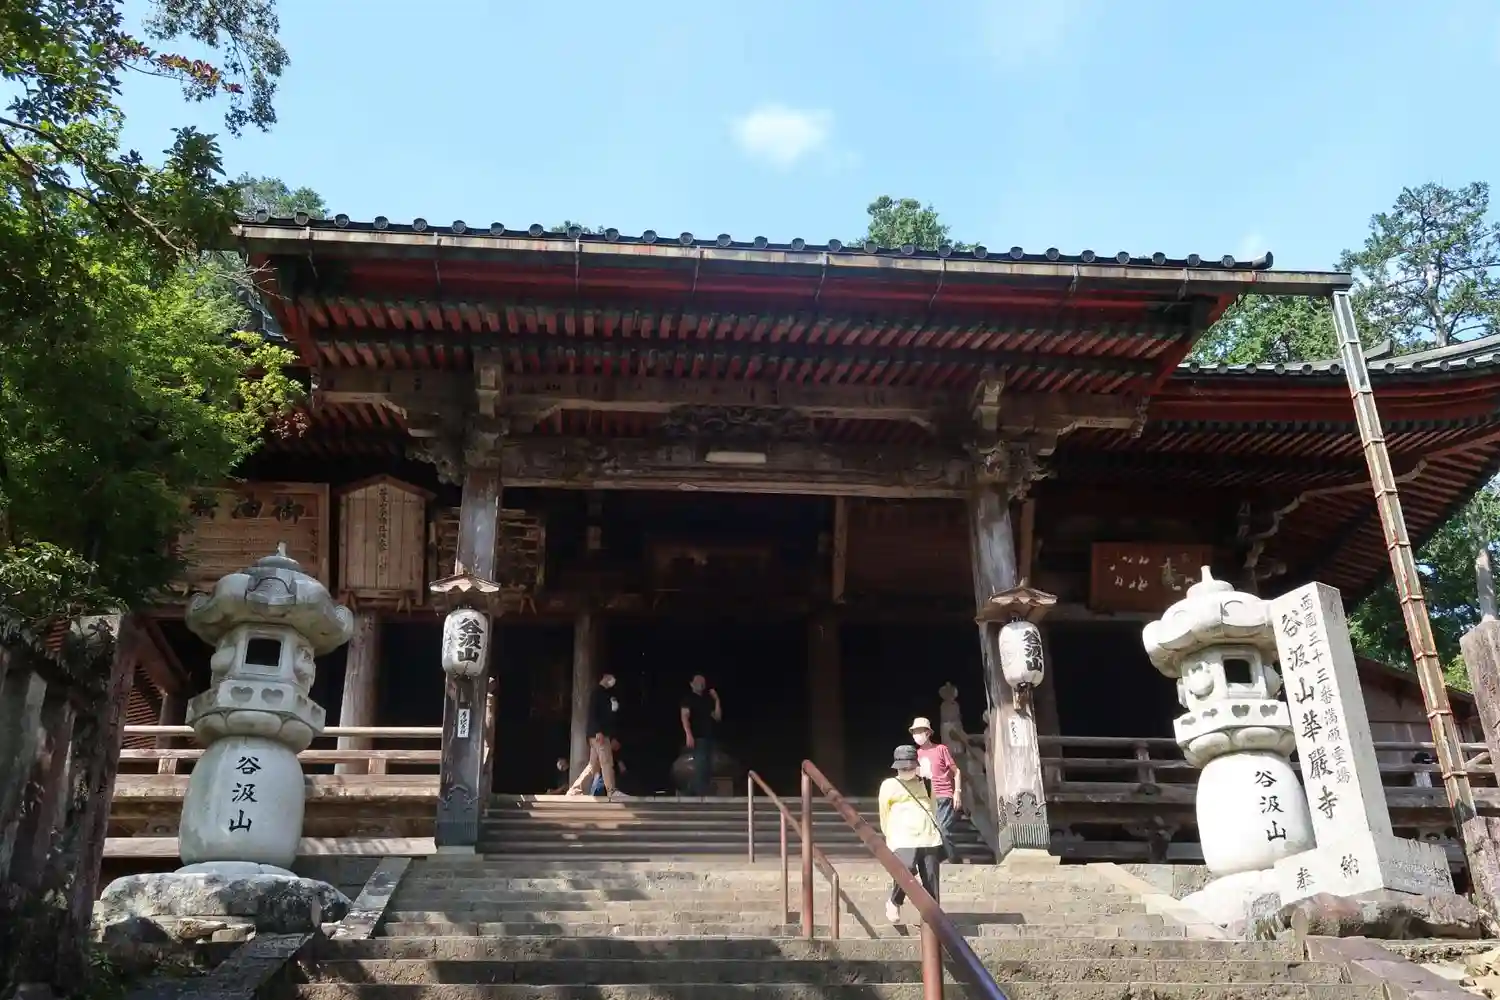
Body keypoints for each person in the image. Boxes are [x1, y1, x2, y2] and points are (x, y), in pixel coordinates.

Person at [878, 744, 944, 925]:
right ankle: (894, 901)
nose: (907, 770)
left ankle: (932, 920)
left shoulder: (926, 783)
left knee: (931, 880)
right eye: (904, 768)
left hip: (928, 836)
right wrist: (889, 836)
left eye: (910, 767)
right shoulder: (889, 785)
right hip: (902, 836)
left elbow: (933, 807)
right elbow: (884, 812)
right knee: (906, 869)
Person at [565, 672, 628, 799]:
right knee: (606, 761)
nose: (613, 680)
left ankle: (575, 790)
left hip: (602, 734)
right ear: (605, 677)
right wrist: (598, 731)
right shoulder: (597, 693)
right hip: (598, 734)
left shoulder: (607, 694)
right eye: (611, 677)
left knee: (593, 766)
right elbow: (593, 714)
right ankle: (611, 791)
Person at [910, 716, 961, 860]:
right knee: (929, 831)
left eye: (919, 731)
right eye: (914, 732)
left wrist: (957, 792)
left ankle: (954, 859)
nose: (916, 735)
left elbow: (956, 771)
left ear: (928, 732)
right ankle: (940, 860)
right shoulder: (916, 754)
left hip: (943, 794)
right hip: (926, 797)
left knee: (943, 829)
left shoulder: (940, 749)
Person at [679, 674, 721, 797]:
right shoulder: (688, 699)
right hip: (697, 736)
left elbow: (717, 717)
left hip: (709, 736)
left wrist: (717, 700)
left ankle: (693, 791)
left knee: (707, 766)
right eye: (698, 681)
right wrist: (688, 734)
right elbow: (684, 717)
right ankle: (699, 793)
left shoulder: (707, 700)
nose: (701, 684)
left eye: (703, 682)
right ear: (691, 684)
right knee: (700, 764)